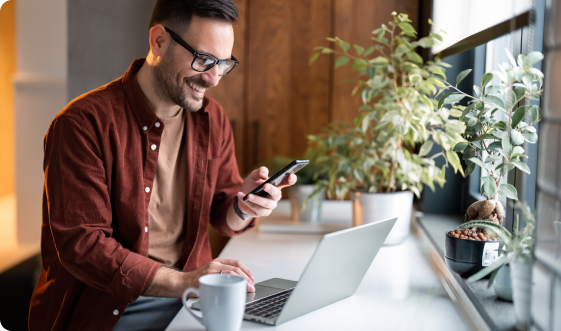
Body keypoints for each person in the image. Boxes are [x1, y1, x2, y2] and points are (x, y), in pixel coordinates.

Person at [28, 1, 296, 330]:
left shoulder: (213, 119)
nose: (213, 78)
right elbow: (84, 247)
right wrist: (188, 282)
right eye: (204, 60)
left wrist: (244, 204)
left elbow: (221, 215)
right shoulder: (82, 124)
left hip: (191, 297)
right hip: (111, 311)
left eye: (224, 64)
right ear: (159, 41)